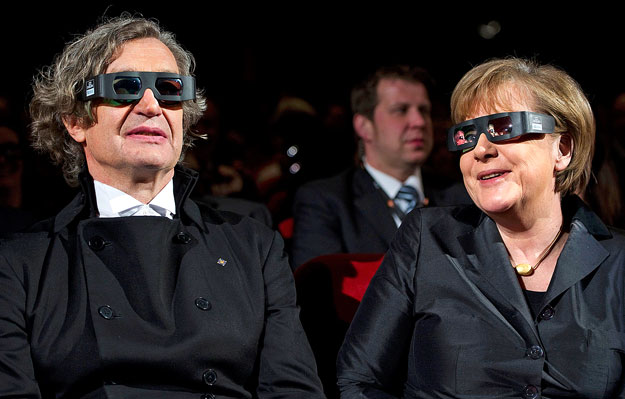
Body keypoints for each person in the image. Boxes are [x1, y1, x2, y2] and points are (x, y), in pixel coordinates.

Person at [0, 15, 325, 398]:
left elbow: (294, 391)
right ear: (75, 120)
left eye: (170, 89)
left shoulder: (253, 248)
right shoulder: (20, 264)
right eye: (125, 87)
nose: (151, 105)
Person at [336, 57, 625, 398]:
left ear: (562, 148)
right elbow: (359, 382)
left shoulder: (617, 262)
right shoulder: (427, 239)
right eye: (467, 135)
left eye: (504, 128)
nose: (481, 149)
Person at [291, 65, 471, 268]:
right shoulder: (326, 201)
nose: (419, 121)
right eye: (401, 110)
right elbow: (319, 291)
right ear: (364, 127)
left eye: (424, 110)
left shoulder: (461, 195)